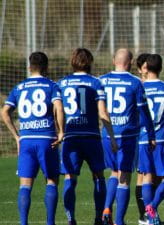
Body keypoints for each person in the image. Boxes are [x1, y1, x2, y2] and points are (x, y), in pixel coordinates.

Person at [2, 52, 64, 225]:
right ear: (46, 67)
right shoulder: (52, 85)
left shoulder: (19, 87)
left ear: (29, 67)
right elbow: (58, 107)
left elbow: (4, 111)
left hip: (27, 140)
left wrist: (16, 136)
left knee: (25, 185)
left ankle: (23, 223)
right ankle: (50, 222)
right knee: (51, 181)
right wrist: (61, 132)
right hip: (47, 139)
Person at [58, 48, 117, 225]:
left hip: (71, 137)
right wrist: (112, 137)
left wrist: (59, 130)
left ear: (73, 62)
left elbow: (57, 110)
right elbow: (103, 113)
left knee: (70, 177)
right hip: (91, 136)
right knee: (99, 176)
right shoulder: (96, 83)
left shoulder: (61, 83)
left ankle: (71, 219)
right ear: (90, 62)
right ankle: (98, 219)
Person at [100, 48, 156, 225]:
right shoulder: (135, 82)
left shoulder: (101, 81)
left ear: (113, 60)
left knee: (113, 173)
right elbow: (144, 111)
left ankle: (106, 208)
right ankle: (119, 220)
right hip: (128, 136)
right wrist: (151, 133)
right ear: (130, 62)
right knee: (124, 177)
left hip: (107, 135)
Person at [139, 54, 164, 225]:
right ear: (161, 68)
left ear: (145, 68)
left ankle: (151, 217)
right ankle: (153, 207)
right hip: (162, 139)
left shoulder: (138, 87)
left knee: (147, 177)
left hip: (143, 140)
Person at [135, 53, 152, 225]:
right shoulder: (137, 85)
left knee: (152, 177)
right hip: (141, 137)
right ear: (140, 70)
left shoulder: (157, 85)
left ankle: (150, 214)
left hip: (155, 138)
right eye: (145, 68)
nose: (148, 71)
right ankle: (143, 216)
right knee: (142, 176)